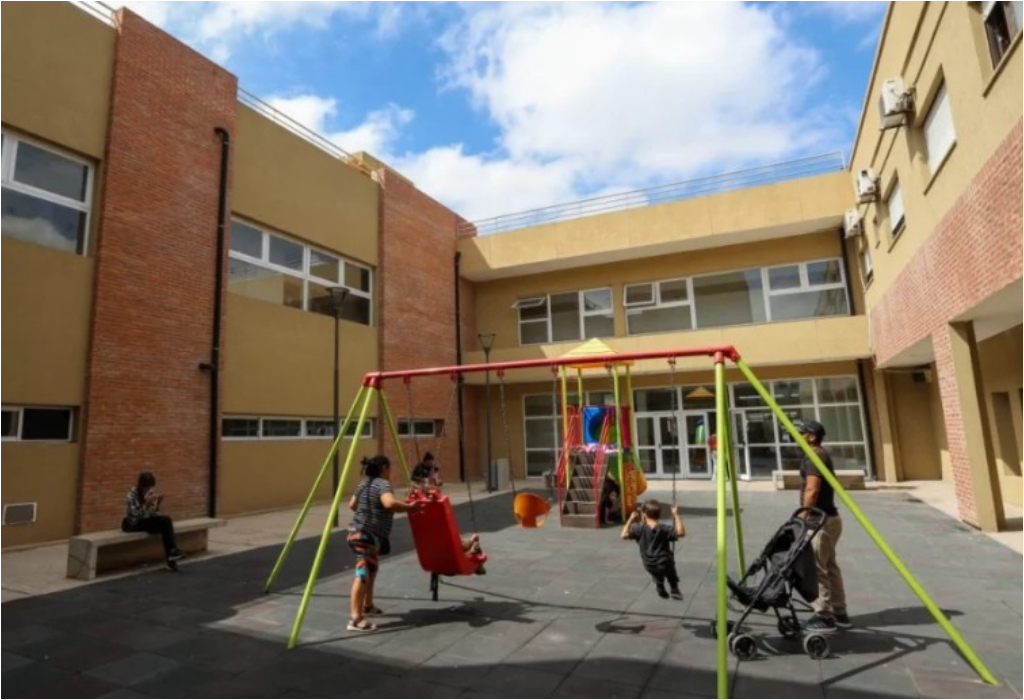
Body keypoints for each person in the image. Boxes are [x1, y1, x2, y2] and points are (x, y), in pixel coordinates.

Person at [347, 454, 421, 632]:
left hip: (358, 533)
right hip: (366, 535)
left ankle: (368, 605)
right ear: (384, 469)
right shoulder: (383, 484)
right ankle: (356, 619)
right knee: (363, 573)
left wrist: (367, 512)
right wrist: (410, 507)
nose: (390, 472)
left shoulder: (363, 483)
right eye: (390, 468)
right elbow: (388, 504)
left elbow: (352, 505)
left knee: (371, 570)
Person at [794, 420, 849, 632]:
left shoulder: (814, 456)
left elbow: (812, 489)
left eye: (800, 433)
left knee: (817, 568)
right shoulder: (821, 453)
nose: (796, 437)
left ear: (811, 436)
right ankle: (840, 612)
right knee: (830, 565)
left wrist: (803, 516)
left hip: (821, 520)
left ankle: (824, 615)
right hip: (831, 518)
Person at [622, 499, 686, 600]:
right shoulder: (664, 529)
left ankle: (660, 586)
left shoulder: (639, 529)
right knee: (671, 574)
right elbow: (681, 533)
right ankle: (674, 588)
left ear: (644, 515)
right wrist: (676, 515)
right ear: (659, 515)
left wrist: (630, 520)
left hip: (649, 563)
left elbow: (624, 535)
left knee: (656, 575)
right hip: (665, 562)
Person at [122, 471, 184, 571]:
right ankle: (172, 555)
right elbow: (135, 515)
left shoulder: (150, 493)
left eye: (151, 487)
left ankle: (172, 556)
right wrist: (146, 504)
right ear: (141, 486)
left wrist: (157, 503)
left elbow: (151, 514)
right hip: (134, 523)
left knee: (166, 522)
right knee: (165, 525)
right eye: (147, 488)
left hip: (146, 520)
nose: (149, 490)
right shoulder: (131, 495)